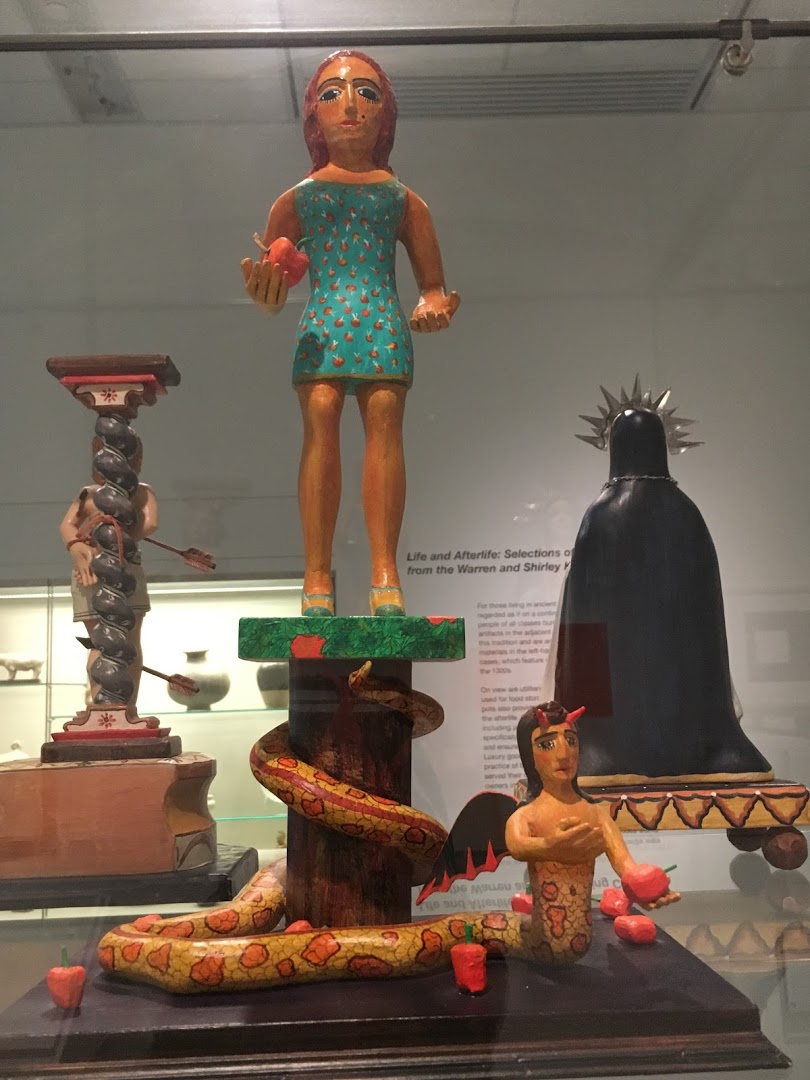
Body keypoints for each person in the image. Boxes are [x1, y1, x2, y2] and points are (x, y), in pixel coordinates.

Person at [241, 50, 460, 617]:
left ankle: (386, 573)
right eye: (332, 93)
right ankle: (316, 576)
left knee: (384, 422)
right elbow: (275, 275)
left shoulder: (402, 200)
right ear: (313, 115)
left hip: (382, 321)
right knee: (320, 419)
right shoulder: (298, 198)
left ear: (385, 113)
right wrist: (267, 293)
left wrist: (433, 304)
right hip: (322, 324)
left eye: (366, 92)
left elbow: (433, 284)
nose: (350, 105)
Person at [505, 701, 680, 964]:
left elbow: (625, 864)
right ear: (528, 755)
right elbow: (516, 845)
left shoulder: (596, 814)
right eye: (547, 744)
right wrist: (549, 847)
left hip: (580, 942)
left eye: (571, 741)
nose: (564, 754)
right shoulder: (526, 814)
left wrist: (643, 887)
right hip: (541, 940)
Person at [59, 437, 157, 706]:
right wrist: (77, 547)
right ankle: (101, 705)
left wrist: (121, 539)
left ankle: (128, 706)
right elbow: (67, 525)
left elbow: (149, 523)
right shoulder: (88, 493)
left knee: (130, 640)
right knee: (99, 641)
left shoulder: (142, 491)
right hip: (90, 569)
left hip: (126, 566)